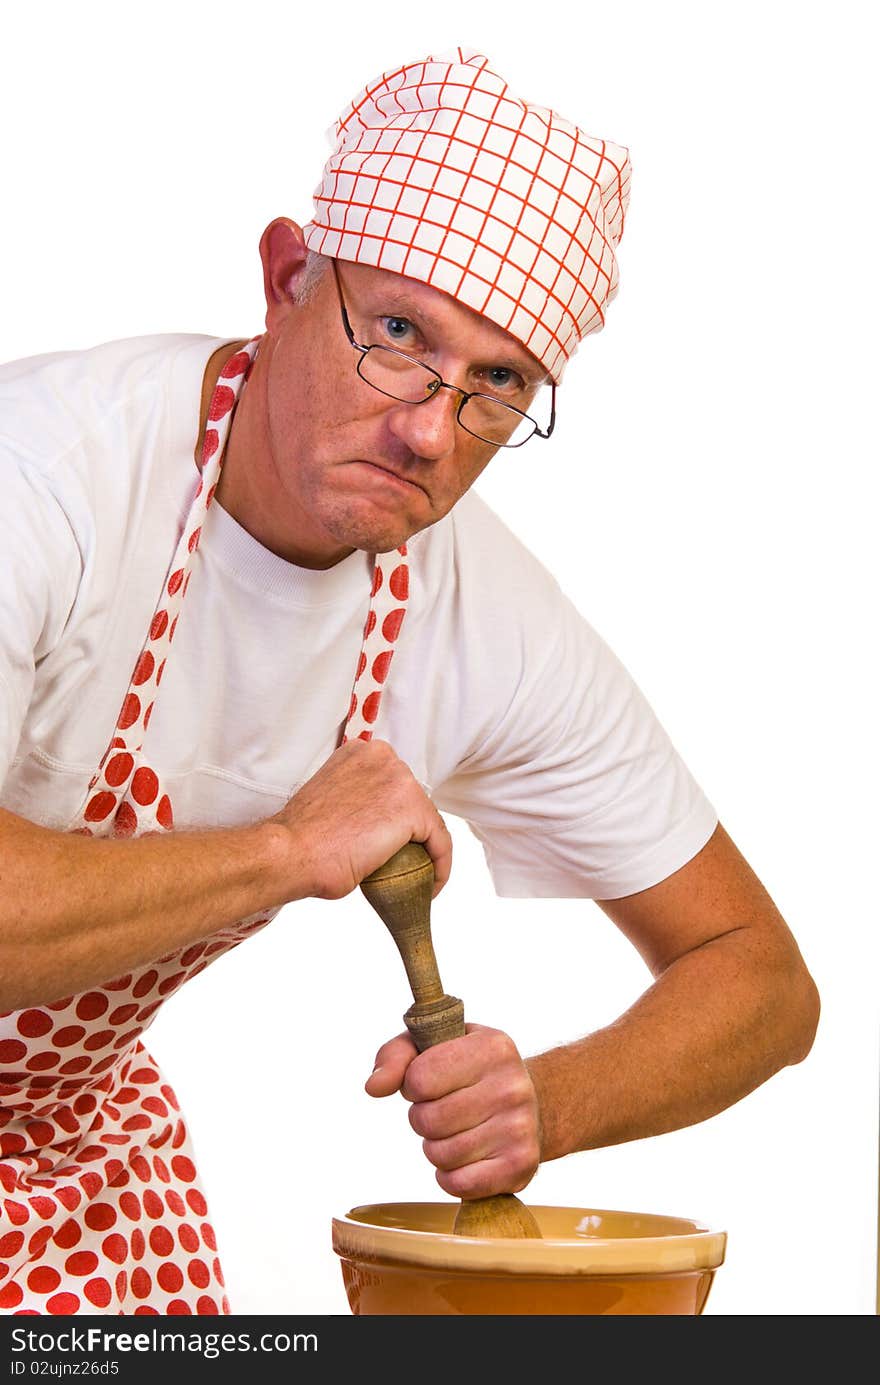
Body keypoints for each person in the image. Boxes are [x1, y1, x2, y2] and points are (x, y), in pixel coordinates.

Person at [0, 47, 819, 1315]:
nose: (430, 430)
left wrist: (545, 1101)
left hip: (66, 1163)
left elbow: (758, 977)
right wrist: (285, 849)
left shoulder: (480, 613)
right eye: (396, 334)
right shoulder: (46, 475)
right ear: (284, 279)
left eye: (496, 384)